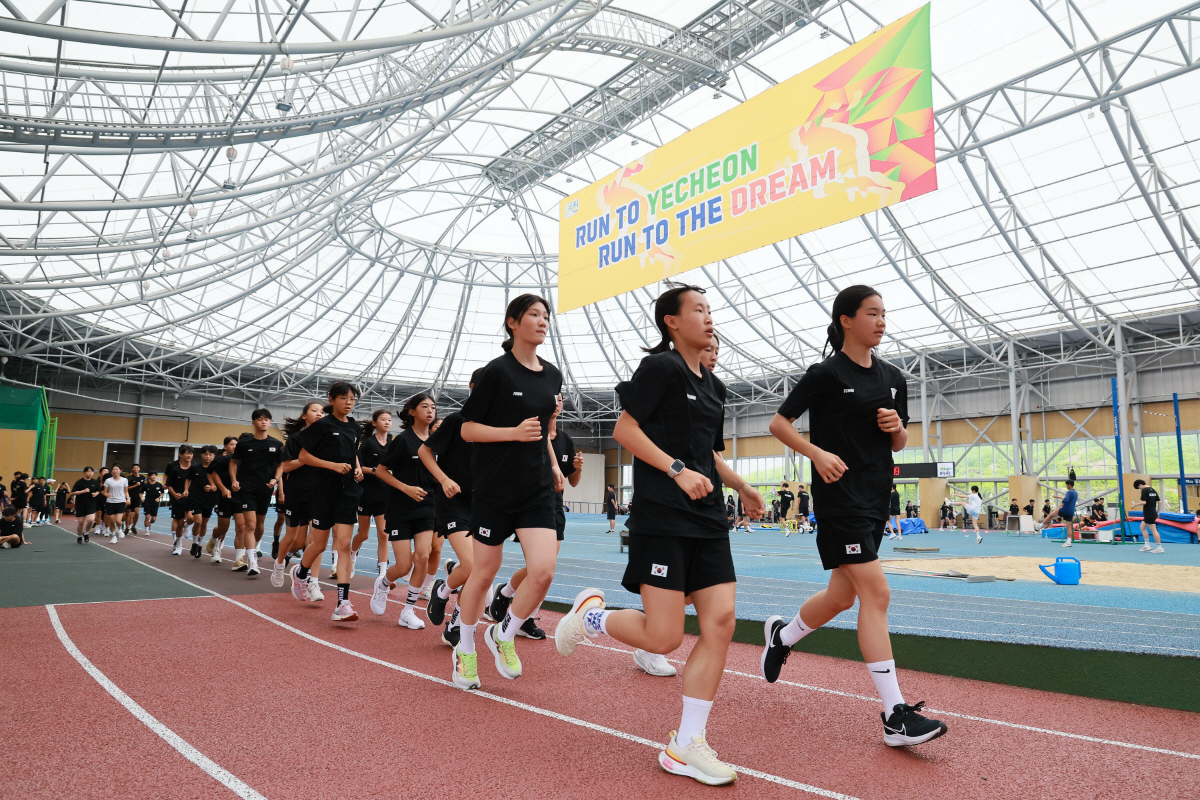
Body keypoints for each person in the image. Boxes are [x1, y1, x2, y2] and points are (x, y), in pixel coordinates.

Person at [554, 285, 762, 785]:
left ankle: (686, 743)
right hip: (663, 516)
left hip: (707, 518)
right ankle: (591, 617)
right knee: (665, 636)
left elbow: (708, 453)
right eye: (698, 309)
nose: (709, 317)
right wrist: (676, 470)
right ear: (671, 321)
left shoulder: (714, 386)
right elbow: (625, 431)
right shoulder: (660, 369)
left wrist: (741, 486)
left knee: (721, 621)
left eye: (710, 310)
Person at [761, 284, 947, 749]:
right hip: (839, 497)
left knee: (841, 596)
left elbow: (899, 443)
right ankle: (895, 715)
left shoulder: (893, 377)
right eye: (871, 313)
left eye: (884, 313)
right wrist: (816, 453)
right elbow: (779, 423)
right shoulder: (825, 374)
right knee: (877, 593)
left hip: (876, 496)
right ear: (846, 320)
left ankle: (782, 637)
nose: (881, 321)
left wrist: (898, 428)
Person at [450, 293, 565, 690]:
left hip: (535, 489)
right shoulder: (496, 373)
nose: (543, 321)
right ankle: (465, 649)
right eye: (534, 314)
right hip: (494, 489)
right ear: (513, 322)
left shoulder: (553, 375)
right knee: (483, 574)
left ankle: (503, 633)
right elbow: (468, 430)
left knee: (544, 570)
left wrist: (553, 462)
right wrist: (512, 434)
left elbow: (543, 431)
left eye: (546, 316)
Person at [486, 395, 585, 643]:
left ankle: (512, 601)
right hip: (531, 506)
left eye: (561, 399)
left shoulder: (565, 440)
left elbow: (572, 482)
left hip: (555, 507)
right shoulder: (530, 431)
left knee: (545, 569)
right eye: (553, 398)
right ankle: (514, 604)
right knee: (537, 568)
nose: (557, 403)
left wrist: (578, 468)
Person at [290, 382, 363, 621]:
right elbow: (303, 456)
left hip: (348, 491)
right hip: (323, 490)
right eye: (343, 398)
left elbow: (353, 453)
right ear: (331, 400)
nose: (349, 402)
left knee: (344, 544)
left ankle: (343, 603)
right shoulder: (322, 425)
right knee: (319, 544)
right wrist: (332, 466)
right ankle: (301, 572)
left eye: (352, 398)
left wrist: (358, 468)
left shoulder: (355, 427)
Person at [419, 368, 482, 647]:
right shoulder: (457, 421)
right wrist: (444, 479)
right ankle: (442, 590)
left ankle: (454, 626)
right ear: (473, 387)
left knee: (480, 575)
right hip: (454, 503)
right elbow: (424, 451)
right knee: (471, 565)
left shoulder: (498, 427)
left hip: (483, 505)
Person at [370, 393, 437, 630]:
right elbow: (380, 471)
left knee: (423, 556)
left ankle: (407, 611)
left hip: (427, 506)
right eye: (424, 406)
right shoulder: (403, 440)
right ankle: (383, 584)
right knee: (404, 566)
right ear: (412, 411)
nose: (430, 411)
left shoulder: (436, 441)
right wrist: (406, 488)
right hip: (400, 508)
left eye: (433, 407)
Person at [271, 401, 325, 596]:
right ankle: (279, 564)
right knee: (295, 539)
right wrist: (305, 459)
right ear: (304, 416)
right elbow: (286, 467)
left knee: (316, 540)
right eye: (314, 411)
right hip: (297, 491)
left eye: (322, 412)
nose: (319, 414)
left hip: (319, 492)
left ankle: (313, 582)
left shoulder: (327, 439)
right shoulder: (296, 439)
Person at [230, 410, 284, 575]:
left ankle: (254, 549)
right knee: (250, 525)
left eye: (267, 419)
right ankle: (252, 562)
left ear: (270, 422)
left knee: (259, 526)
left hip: (266, 489)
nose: (264, 422)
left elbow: (281, 465)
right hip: (247, 489)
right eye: (260, 419)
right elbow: (233, 463)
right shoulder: (244, 444)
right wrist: (234, 480)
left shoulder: (276, 444)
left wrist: (275, 479)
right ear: (253, 422)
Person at [351, 409, 393, 582]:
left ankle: (383, 573)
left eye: (389, 419)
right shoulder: (368, 443)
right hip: (367, 493)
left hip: (385, 493)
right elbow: (359, 466)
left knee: (384, 534)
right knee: (364, 534)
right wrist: (376, 471)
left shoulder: (393, 442)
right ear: (375, 423)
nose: (387, 422)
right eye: (383, 419)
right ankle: (352, 554)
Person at [206, 437, 240, 563]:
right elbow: (211, 473)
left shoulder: (244, 460)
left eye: (236, 444)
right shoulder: (220, 460)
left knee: (241, 527)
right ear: (225, 446)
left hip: (240, 497)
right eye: (231, 444)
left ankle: (237, 557)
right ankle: (214, 538)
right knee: (223, 527)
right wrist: (215, 485)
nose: (234, 447)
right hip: (224, 496)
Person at [165, 446, 203, 554]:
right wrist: (174, 494)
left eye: (191, 453)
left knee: (192, 518)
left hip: (192, 499)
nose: (189, 456)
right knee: (179, 523)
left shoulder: (195, 468)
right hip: (178, 499)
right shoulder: (175, 470)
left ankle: (187, 526)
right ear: (180, 455)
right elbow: (169, 485)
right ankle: (178, 545)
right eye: (186, 453)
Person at [1039, 481, 1078, 546]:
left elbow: (1065, 500)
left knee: (1051, 514)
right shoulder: (1075, 493)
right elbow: (1068, 499)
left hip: (1065, 509)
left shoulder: (1069, 492)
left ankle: (1040, 526)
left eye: (1067, 485)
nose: (1066, 486)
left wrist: (1058, 507)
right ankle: (1069, 542)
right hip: (1071, 511)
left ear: (1069, 485)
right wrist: (1058, 497)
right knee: (1069, 527)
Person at [69, 467, 101, 543]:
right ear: (84, 472)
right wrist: (83, 491)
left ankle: (86, 532)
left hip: (91, 503)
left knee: (91, 520)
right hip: (81, 504)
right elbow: (73, 493)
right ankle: (79, 536)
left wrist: (95, 494)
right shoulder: (79, 482)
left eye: (92, 472)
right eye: (88, 471)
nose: (90, 473)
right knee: (81, 522)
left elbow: (98, 491)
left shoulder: (95, 482)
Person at [100, 465, 130, 544]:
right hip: (110, 502)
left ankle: (119, 529)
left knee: (118, 520)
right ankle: (113, 536)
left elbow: (126, 491)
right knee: (112, 521)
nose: (115, 471)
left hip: (121, 501)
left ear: (120, 470)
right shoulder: (108, 480)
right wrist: (107, 495)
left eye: (117, 469)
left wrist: (128, 498)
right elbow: (104, 492)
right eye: (113, 469)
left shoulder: (124, 480)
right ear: (111, 472)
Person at [1133, 479, 1164, 553]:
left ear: (1140, 485)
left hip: (1148, 513)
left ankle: (1159, 547)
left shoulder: (1145, 490)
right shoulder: (1153, 490)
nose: (1140, 489)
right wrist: (1158, 512)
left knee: (1154, 530)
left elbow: (1144, 502)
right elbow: (1160, 502)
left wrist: (1135, 504)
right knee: (1142, 527)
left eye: (1139, 487)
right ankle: (1147, 545)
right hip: (1152, 512)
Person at [124, 464, 145, 536]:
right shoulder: (129, 478)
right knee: (128, 513)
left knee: (137, 513)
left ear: (139, 469)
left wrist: (142, 496)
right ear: (132, 469)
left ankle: (133, 526)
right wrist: (135, 485)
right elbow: (126, 488)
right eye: (134, 468)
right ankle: (127, 527)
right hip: (130, 497)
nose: (136, 469)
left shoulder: (142, 477)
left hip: (137, 497)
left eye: (137, 468)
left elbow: (143, 488)